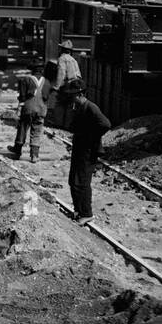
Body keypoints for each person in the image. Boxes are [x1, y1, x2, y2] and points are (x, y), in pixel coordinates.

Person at [61, 79, 111, 222]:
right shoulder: (78, 108)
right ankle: (78, 210)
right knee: (73, 180)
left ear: (81, 94)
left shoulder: (91, 107)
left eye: (74, 95)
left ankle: (86, 214)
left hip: (88, 151)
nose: (71, 97)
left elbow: (105, 124)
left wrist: (92, 137)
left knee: (82, 182)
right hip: (79, 149)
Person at [9, 68, 47, 162]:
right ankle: (34, 155)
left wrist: (20, 107)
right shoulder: (47, 82)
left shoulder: (26, 80)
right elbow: (47, 97)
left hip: (28, 109)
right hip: (41, 109)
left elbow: (22, 97)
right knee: (37, 131)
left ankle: (17, 151)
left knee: (22, 128)